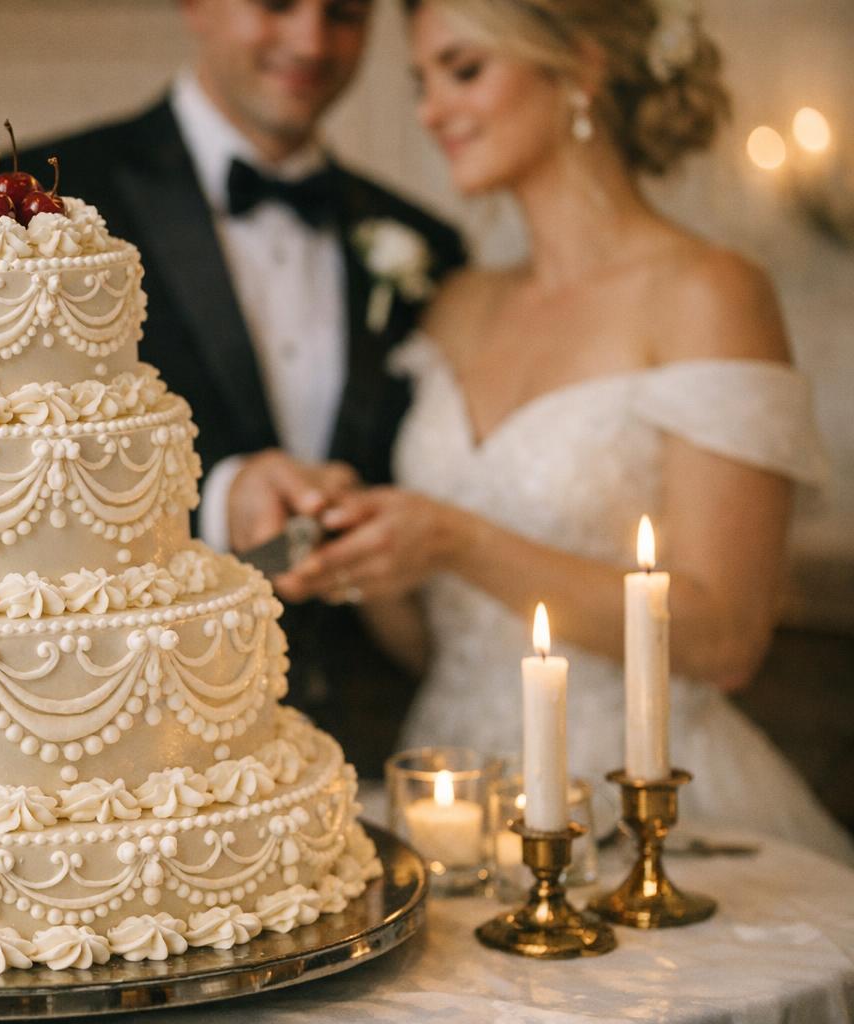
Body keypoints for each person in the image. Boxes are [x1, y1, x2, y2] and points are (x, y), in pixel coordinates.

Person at [285, 0, 853, 860]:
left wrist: (455, 537)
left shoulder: (707, 293)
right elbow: (429, 641)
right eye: (422, 81)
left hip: (641, 800)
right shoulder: (458, 305)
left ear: (580, 67)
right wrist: (365, 545)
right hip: (456, 796)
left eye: (464, 69)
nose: (432, 110)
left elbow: (727, 637)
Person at [26, 0, 465, 775]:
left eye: (346, 14)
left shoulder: (427, 245)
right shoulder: (41, 203)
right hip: (117, 747)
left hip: (367, 751)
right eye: (277, 5)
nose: (311, 41)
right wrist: (219, 495)